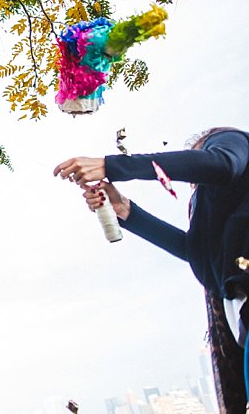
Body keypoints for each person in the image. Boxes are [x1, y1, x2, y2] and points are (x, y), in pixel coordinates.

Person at [53, 127, 249, 412]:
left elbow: (223, 164)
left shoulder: (229, 140)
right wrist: (123, 209)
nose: (194, 184)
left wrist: (111, 165)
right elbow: (194, 252)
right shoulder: (223, 225)